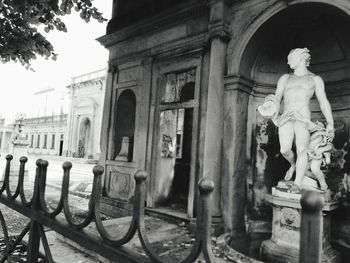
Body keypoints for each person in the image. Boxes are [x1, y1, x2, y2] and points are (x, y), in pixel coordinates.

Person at [259, 48, 334, 193]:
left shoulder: (315, 79)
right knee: (285, 149)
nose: (288, 61)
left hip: (303, 117)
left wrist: (330, 123)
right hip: (286, 116)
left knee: (302, 150)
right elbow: (277, 98)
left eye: (290, 58)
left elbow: (323, 102)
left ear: (300, 58)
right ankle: (293, 165)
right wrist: (269, 105)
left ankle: (297, 183)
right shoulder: (285, 78)